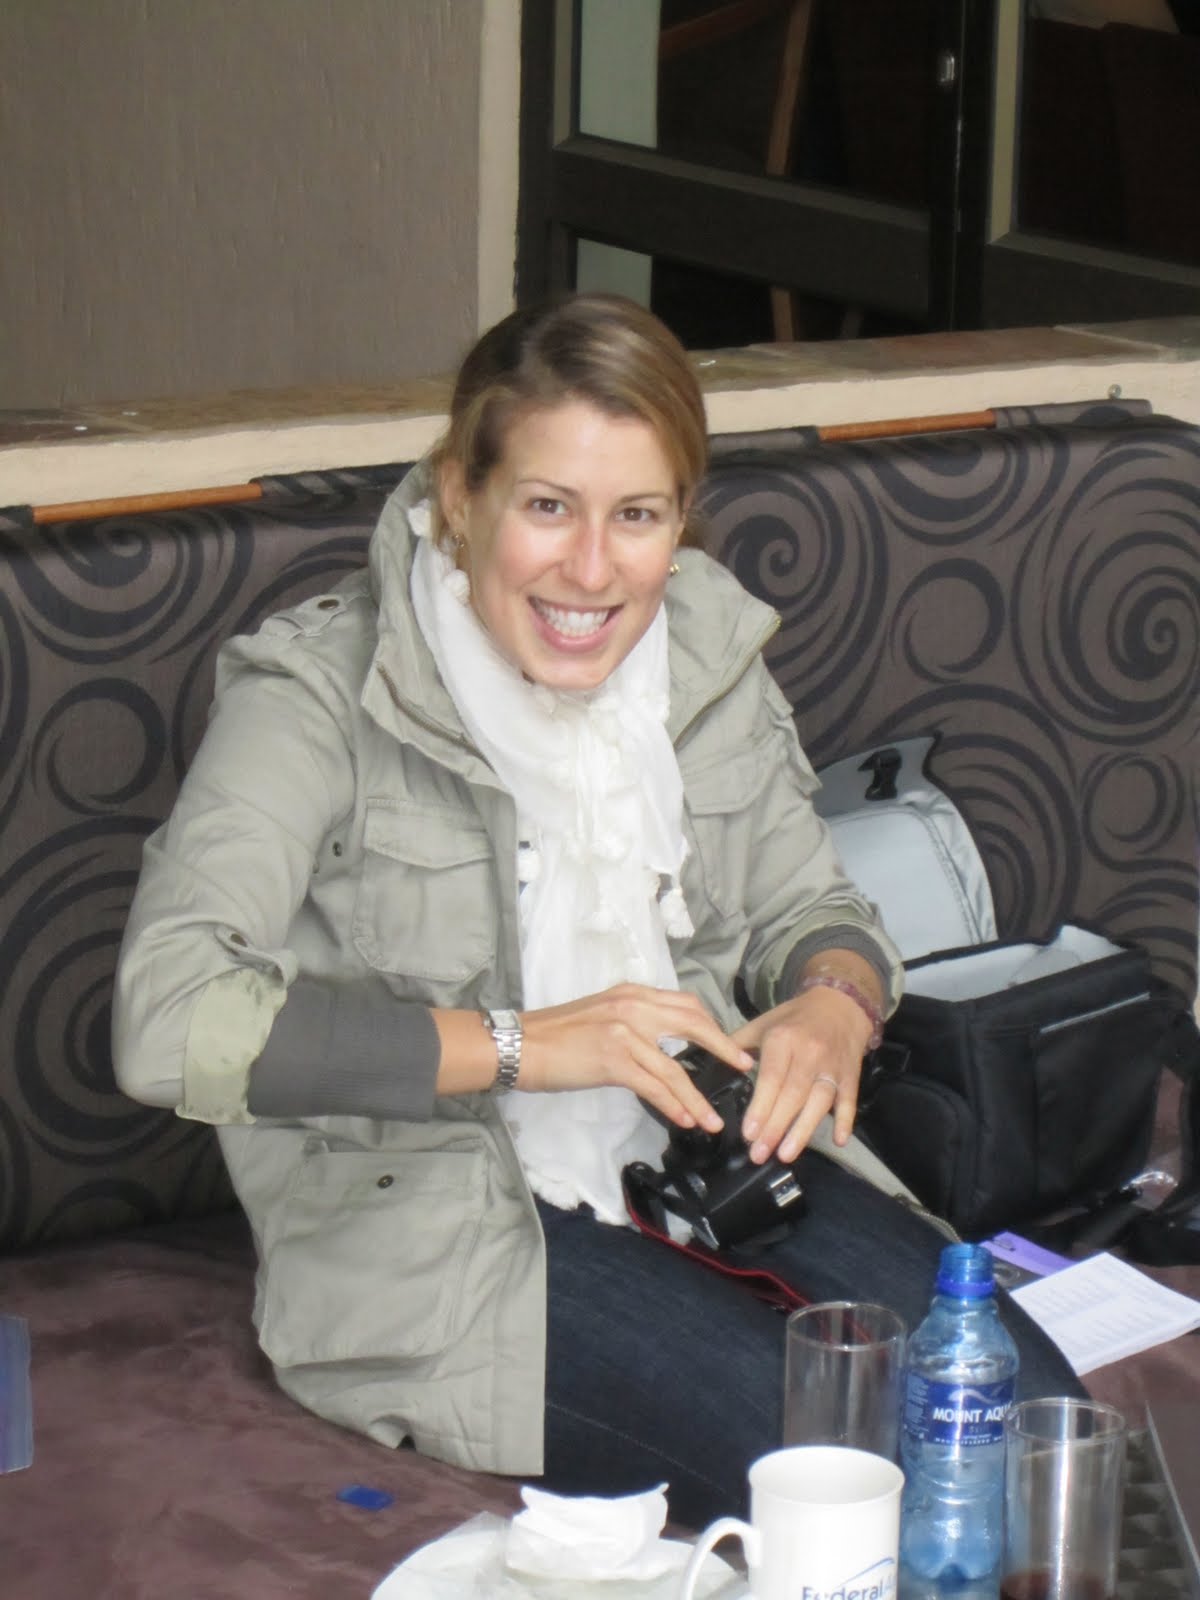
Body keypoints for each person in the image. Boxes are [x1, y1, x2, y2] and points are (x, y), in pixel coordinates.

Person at [113, 293, 1081, 1528]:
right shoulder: (313, 696)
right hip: (446, 1222)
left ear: (680, 519)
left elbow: (815, 906)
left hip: (702, 1151)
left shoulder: (702, 649)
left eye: (637, 515)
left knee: (1019, 1424)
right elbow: (168, 1017)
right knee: (841, 1483)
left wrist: (835, 1004)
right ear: (459, 496)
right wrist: (524, 1043)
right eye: (547, 506)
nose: (590, 569)